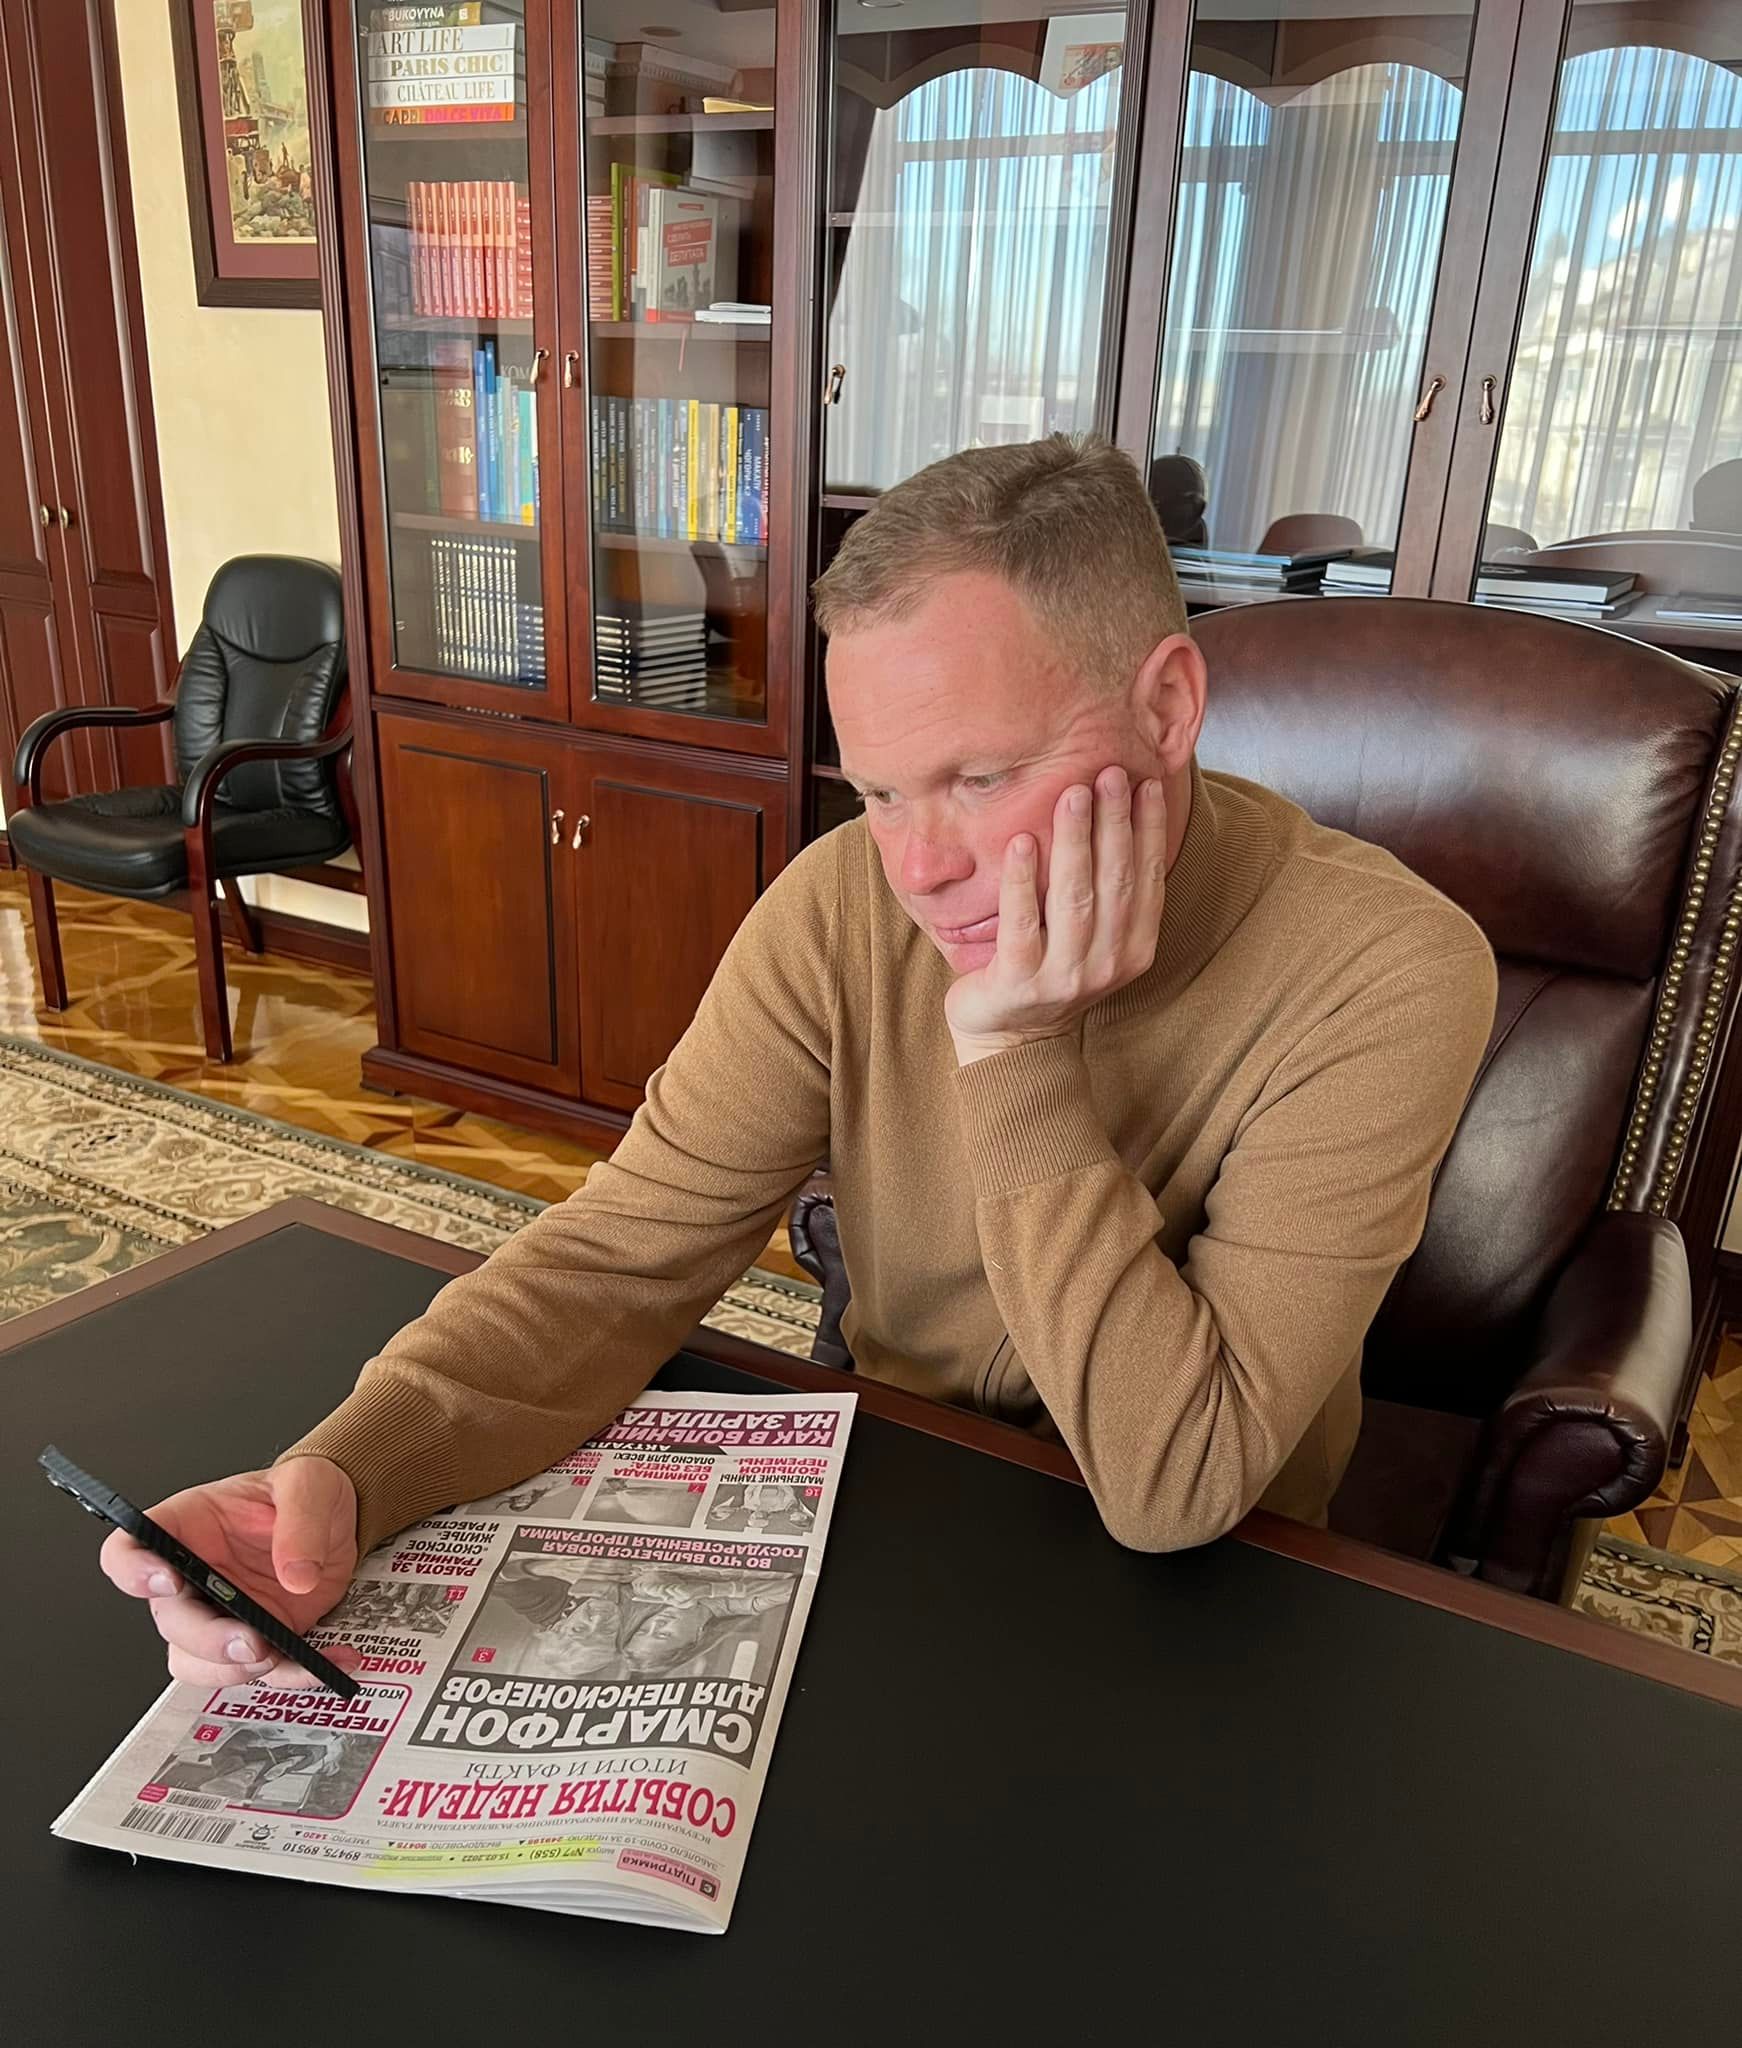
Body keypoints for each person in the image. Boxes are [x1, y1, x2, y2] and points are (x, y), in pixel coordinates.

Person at [99, 433, 1497, 1688]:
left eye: (982, 778)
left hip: (1215, 1600)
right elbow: (618, 1259)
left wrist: (1015, 1049)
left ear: (1169, 705)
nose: (919, 867)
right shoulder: (843, 902)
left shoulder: (1388, 969)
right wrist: (349, 1472)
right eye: (878, 791)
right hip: (908, 1490)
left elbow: (1174, 1481)